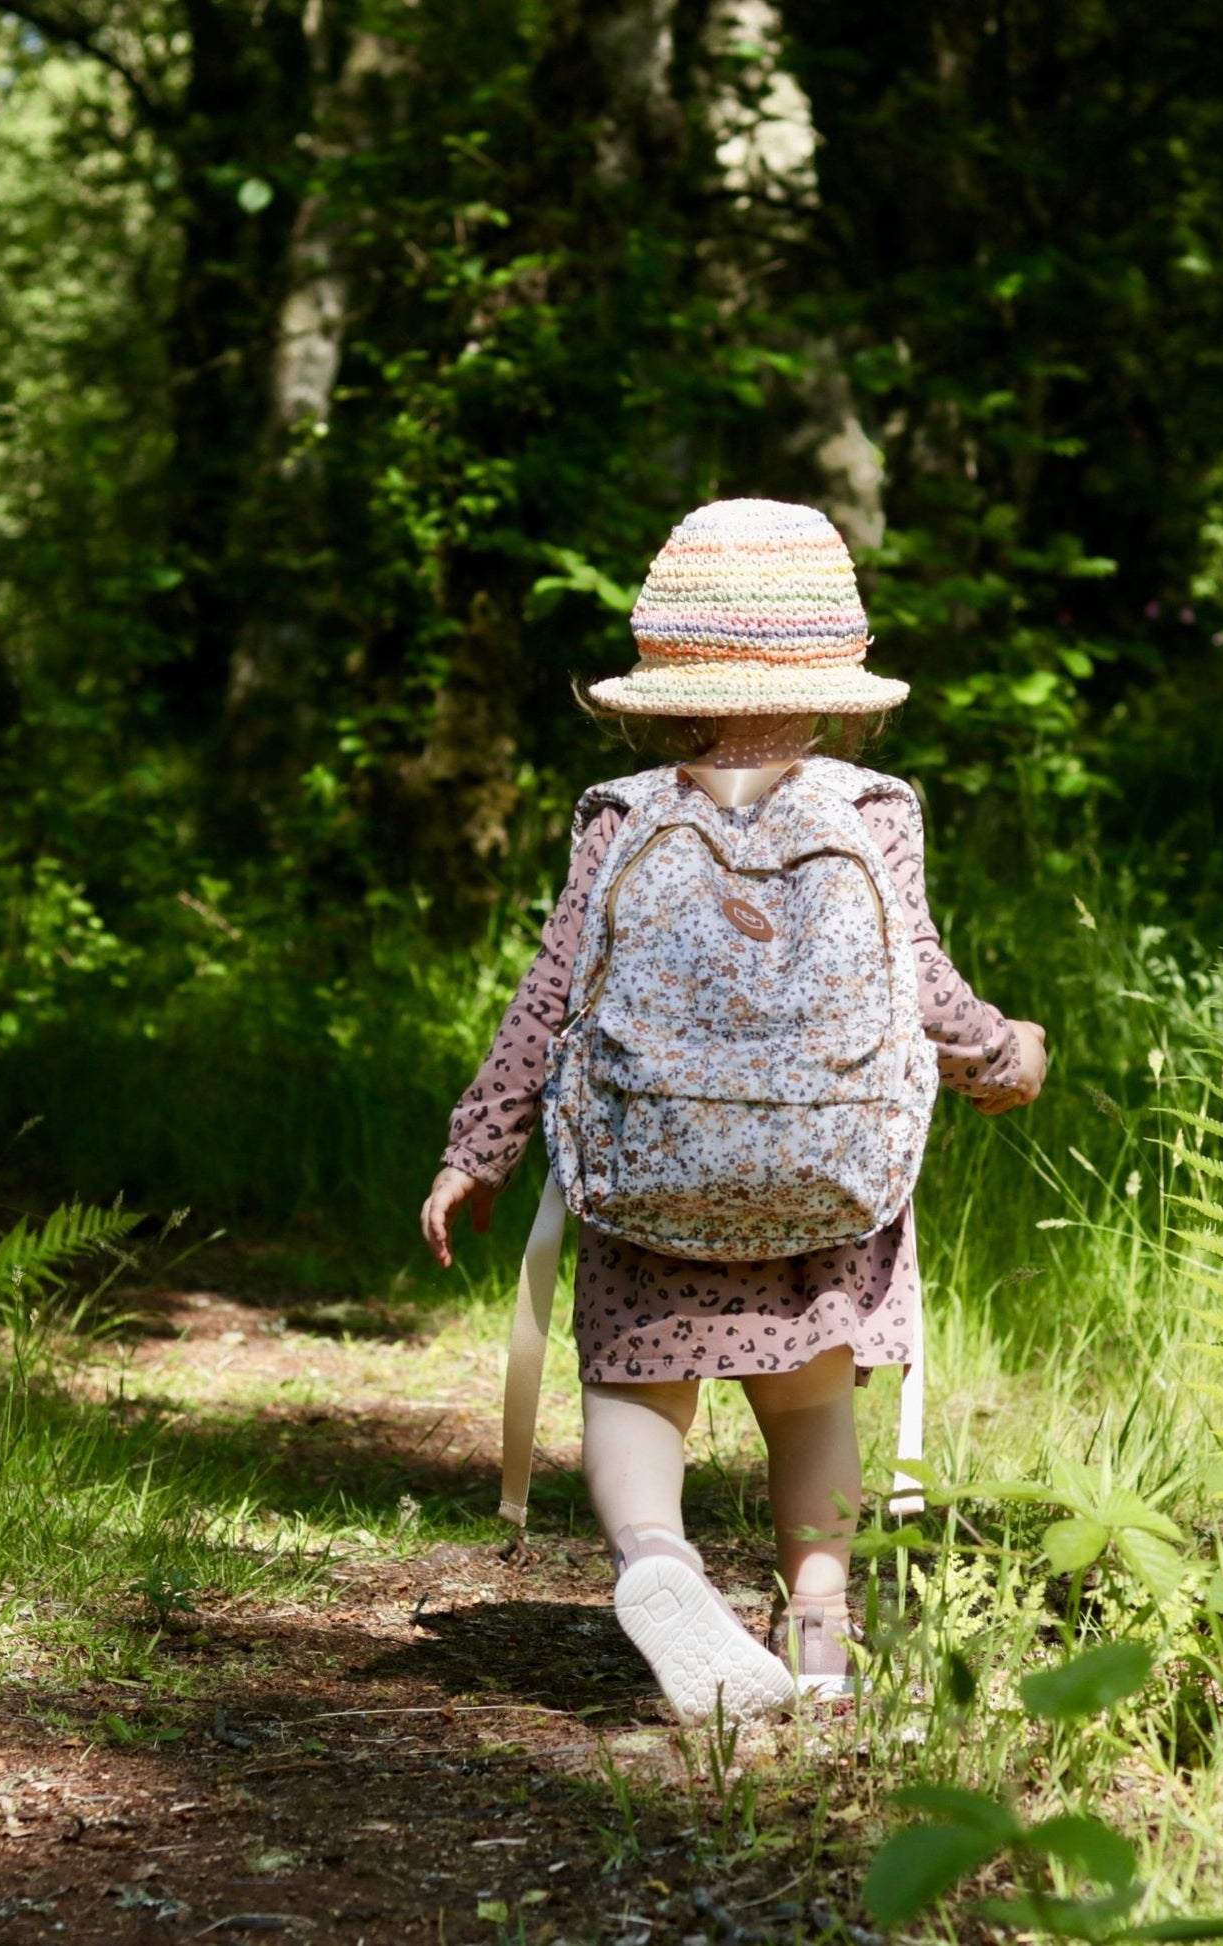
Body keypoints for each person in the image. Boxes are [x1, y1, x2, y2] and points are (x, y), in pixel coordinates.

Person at [419, 498, 1047, 1719]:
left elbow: (549, 992)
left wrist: (478, 1148)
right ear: (835, 682)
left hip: (648, 1166)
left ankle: (657, 1559)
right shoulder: (869, 809)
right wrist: (1002, 1056)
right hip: (826, 1176)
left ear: (664, 685)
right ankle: (816, 1626)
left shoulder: (620, 813)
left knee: (633, 1389)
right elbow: (922, 984)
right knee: (810, 1404)